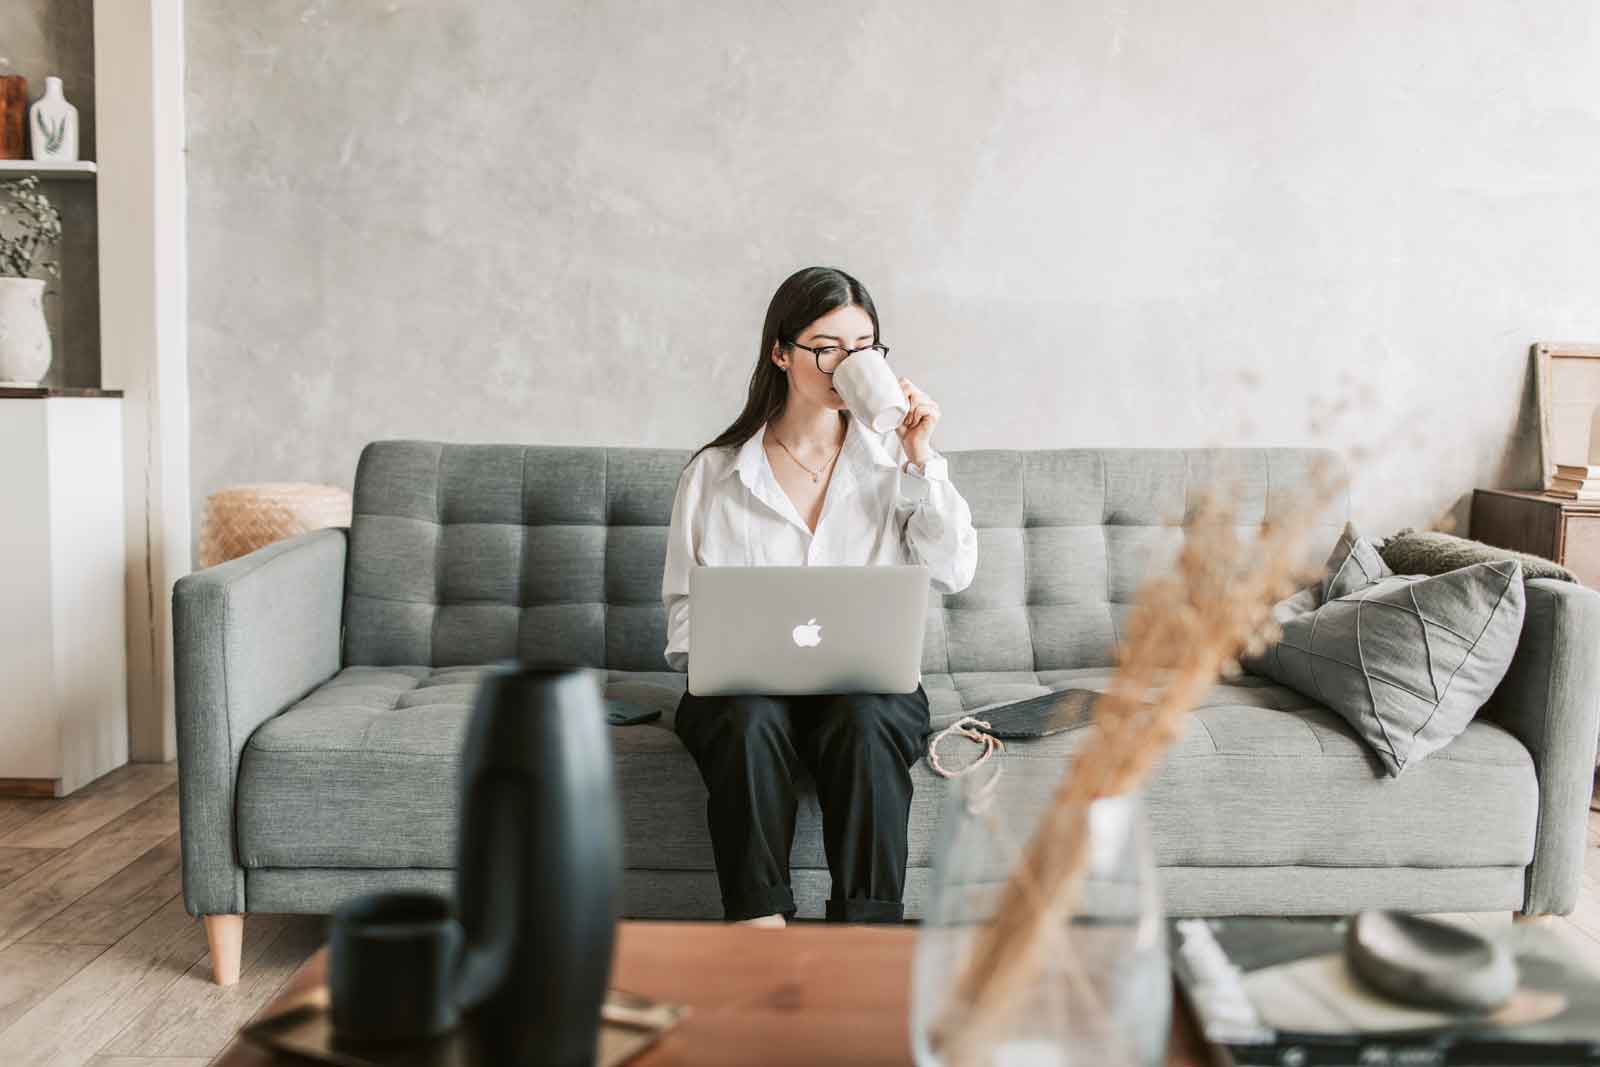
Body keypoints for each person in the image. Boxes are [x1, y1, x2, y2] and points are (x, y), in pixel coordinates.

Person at [660, 265, 978, 927]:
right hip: (745, 696)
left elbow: (954, 571)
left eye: (864, 347)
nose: (848, 363)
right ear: (782, 352)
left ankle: (866, 933)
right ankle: (758, 926)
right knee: (746, 719)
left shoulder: (896, 464)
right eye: (827, 347)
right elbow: (685, 618)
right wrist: (730, 655)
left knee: (868, 720)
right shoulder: (714, 473)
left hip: (864, 688)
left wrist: (925, 458)